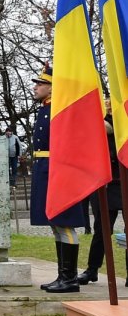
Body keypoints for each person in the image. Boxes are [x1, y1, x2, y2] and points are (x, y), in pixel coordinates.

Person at [28, 65, 87, 293]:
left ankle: (70, 279)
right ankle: (63, 276)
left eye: (40, 83)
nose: (36, 87)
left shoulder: (59, 109)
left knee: (65, 222)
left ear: (52, 88)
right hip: (45, 169)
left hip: (58, 171)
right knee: (55, 223)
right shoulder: (45, 108)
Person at [79, 112, 127, 286]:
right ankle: (92, 269)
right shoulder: (103, 120)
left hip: (125, 180)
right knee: (101, 229)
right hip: (107, 182)